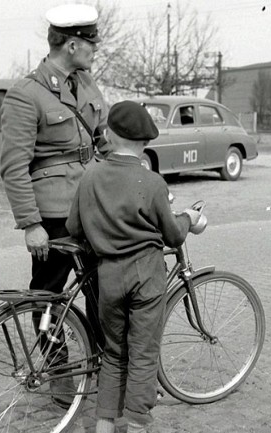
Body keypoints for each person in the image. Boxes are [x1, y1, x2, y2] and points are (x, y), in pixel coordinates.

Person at [66, 101, 202, 433]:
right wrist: (190, 218)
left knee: (113, 354)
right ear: (144, 143)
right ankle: (139, 427)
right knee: (142, 356)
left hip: (108, 275)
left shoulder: (90, 177)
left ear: (109, 135)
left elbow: (73, 227)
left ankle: (104, 427)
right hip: (146, 276)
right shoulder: (153, 183)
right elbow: (172, 235)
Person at [0, 3, 108, 407]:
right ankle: (60, 370)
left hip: (92, 204)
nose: (94, 51)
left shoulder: (87, 83)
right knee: (46, 294)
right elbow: (13, 167)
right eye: (90, 44)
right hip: (53, 213)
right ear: (73, 44)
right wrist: (30, 223)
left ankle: (102, 364)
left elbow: (104, 136)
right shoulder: (25, 95)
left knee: (103, 287)